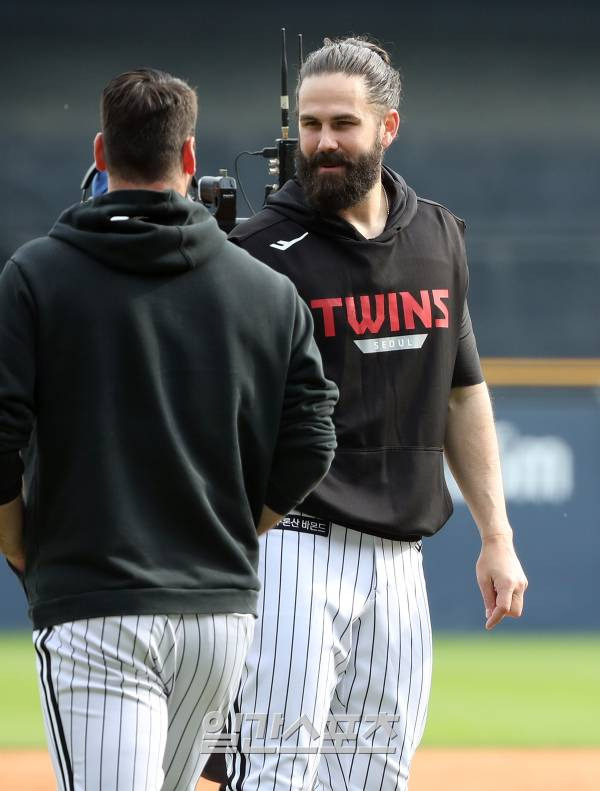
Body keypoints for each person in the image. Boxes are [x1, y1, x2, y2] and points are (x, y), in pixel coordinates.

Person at [201, 37, 528, 791]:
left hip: (398, 567)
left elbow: (461, 389)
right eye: (311, 125)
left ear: (388, 127)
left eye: (343, 124)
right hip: (289, 553)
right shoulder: (253, 253)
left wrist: (496, 536)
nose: (323, 143)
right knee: (274, 772)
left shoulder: (438, 236)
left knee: (375, 775)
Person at [0, 67, 338, 791]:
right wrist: (241, 528)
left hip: (95, 604)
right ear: (189, 158)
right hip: (218, 616)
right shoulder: (267, 290)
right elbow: (314, 438)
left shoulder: (35, 276)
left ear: (100, 151)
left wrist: (16, 539)